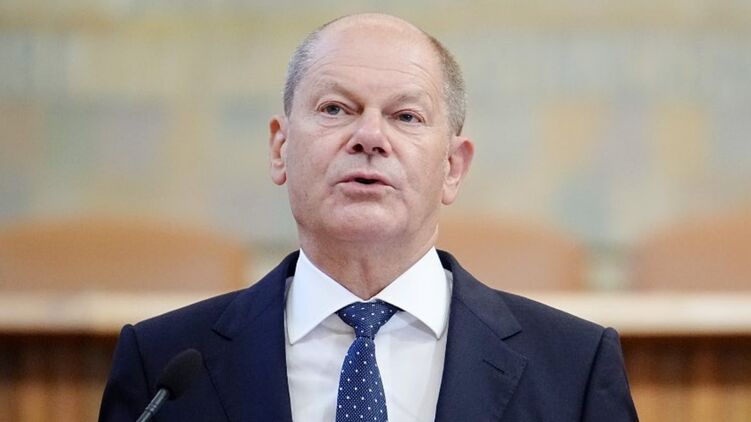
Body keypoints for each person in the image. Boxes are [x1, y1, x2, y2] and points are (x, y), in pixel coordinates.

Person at [99, 13, 638, 422]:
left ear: (452, 167)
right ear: (280, 149)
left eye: (406, 116)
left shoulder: (574, 368)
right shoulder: (162, 365)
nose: (370, 137)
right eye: (336, 109)